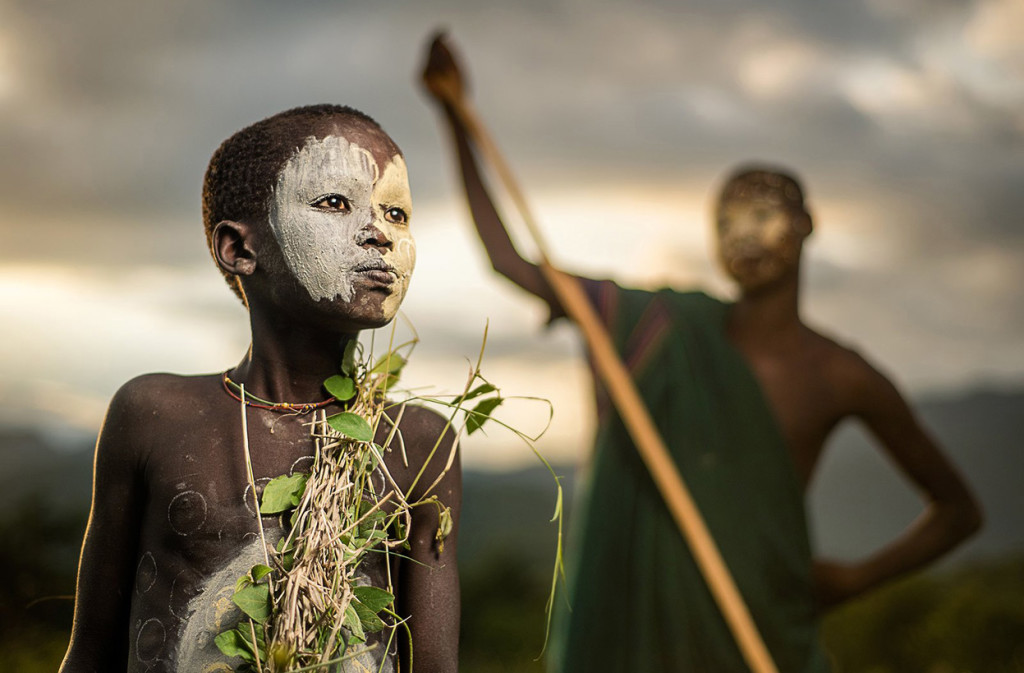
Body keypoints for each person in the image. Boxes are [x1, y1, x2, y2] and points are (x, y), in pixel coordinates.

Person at [421, 36, 981, 672]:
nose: (744, 233)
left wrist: (855, 580)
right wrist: (456, 117)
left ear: (807, 224)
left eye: (764, 211)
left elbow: (958, 511)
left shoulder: (841, 376)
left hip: (764, 625)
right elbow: (510, 260)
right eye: (727, 221)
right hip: (634, 625)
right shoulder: (656, 327)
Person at [60, 105, 461, 672]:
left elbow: (435, 665)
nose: (380, 234)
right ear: (240, 249)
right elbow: (91, 651)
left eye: (396, 213)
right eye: (335, 203)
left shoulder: (418, 442)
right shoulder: (155, 414)